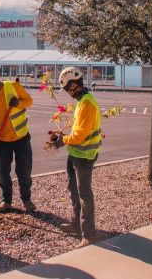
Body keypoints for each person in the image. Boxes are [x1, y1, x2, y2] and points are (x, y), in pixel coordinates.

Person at [53, 67, 101, 248]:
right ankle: (76, 225)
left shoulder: (87, 103)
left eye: (67, 88)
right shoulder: (82, 101)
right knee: (74, 190)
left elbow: (80, 135)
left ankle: (89, 235)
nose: (66, 92)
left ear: (74, 85)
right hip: (75, 154)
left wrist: (62, 140)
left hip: (84, 156)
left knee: (85, 195)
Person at [0, 68, 36, 213]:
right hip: (2, 141)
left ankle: (27, 200)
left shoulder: (14, 87)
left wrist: (18, 103)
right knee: (3, 173)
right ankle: (6, 201)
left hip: (21, 138)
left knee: (24, 171)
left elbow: (29, 101)